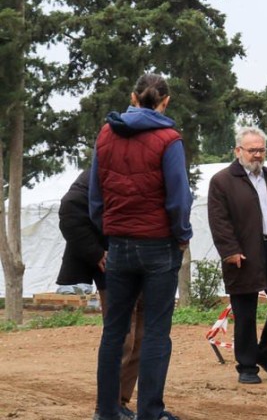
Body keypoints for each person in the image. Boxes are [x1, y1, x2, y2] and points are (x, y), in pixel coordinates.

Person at [90, 73, 193, 420]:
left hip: (119, 243)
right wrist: (182, 235)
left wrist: (109, 231)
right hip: (158, 245)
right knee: (155, 333)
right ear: (166, 102)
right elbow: (179, 197)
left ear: (133, 97)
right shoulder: (169, 139)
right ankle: (151, 412)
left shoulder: (106, 134)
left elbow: (95, 194)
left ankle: (107, 411)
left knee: (114, 331)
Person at [208, 127, 267, 385]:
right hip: (243, 254)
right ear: (238, 151)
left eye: (261, 150)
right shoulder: (221, 181)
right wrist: (230, 251)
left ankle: (265, 353)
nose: (257, 155)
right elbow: (219, 221)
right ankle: (247, 366)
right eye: (252, 150)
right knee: (246, 312)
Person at [58, 169, 143, 419]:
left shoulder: (150, 166)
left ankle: (121, 402)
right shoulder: (98, 171)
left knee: (142, 337)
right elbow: (70, 211)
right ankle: (106, 407)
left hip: (145, 261)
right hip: (114, 265)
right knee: (123, 336)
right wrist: (96, 253)